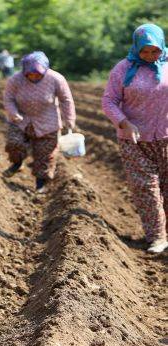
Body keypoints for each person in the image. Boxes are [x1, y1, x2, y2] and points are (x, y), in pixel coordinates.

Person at [102, 23, 168, 254]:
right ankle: (157, 237)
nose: (150, 56)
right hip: (134, 140)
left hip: (166, 138)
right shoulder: (123, 69)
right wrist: (123, 122)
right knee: (146, 189)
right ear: (136, 47)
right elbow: (109, 100)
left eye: (155, 50)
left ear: (162, 46)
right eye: (145, 51)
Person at [2, 51, 76, 193]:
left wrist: (69, 119)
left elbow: (66, 100)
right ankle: (17, 163)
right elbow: (8, 98)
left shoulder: (56, 79)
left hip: (48, 122)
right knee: (14, 143)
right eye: (31, 74)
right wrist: (13, 113)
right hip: (20, 120)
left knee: (45, 154)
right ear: (24, 71)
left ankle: (40, 185)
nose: (34, 76)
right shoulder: (15, 80)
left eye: (38, 74)